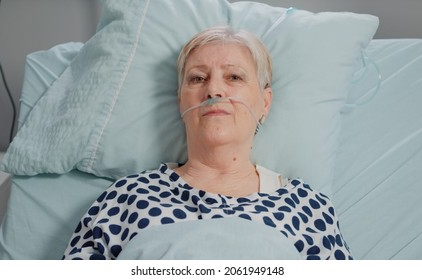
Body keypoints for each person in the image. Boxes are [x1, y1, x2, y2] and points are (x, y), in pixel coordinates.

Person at [62, 26, 352, 260]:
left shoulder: (308, 207)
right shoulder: (127, 198)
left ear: (265, 103)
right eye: (198, 78)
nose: (214, 89)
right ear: (180, 102)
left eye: (234, 77)